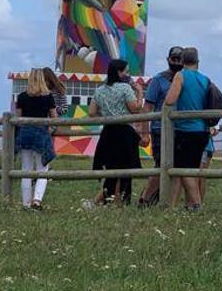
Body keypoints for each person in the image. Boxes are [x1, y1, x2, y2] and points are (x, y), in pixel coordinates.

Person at [87, 60, 144, 206]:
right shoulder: (125, 88)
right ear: (119, 72)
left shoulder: (100, 90)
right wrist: (139, 91)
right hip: (124, 132)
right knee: (124, 169)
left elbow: (92, 112)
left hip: (108, 132)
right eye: (126, 71)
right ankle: (117, 201)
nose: (128, 74)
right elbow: (135, 108)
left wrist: (106, 114)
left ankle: (107, 201)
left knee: (112, 169)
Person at [137, 46, 184, 208]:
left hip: (179, 129)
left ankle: (164, 201)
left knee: (175, 167)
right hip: (159, 129)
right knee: (160, 165)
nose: (176, 63)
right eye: (174, 60)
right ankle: (145, 198)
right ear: (168, 60)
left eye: (179, 60)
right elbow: (147, 107)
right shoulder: (158, 80)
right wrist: (144, 132)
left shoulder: (185, 79)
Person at [164, 47, 210, 210]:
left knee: (184, 169)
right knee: (193, 167)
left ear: (182, 62)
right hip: (202, 130)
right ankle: (191, 205)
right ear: (198, 62)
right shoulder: (205, 79)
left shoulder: (181, 75)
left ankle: (197, 204)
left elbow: (170, 100)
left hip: (186, 129)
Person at [15, 69, 58, 209]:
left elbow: (18, 118)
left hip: (25, 134)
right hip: (41, 133)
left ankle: (26, 202)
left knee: (26, 169)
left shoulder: (21, 97)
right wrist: (50, 130)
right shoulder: (48, 97)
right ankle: (37, 200)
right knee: (42, 169)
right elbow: (54, 118)